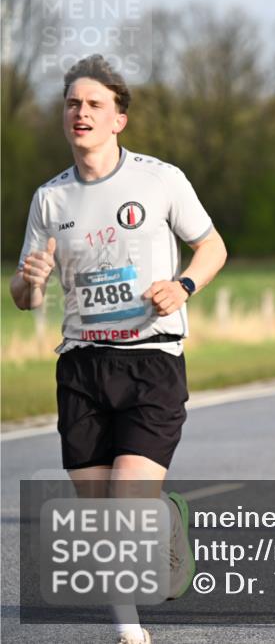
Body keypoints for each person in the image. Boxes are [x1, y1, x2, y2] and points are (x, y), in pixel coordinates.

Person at [10, 55, 227, 644]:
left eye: (94, 104)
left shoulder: (160, 180)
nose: (81, 113)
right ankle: (136, 588)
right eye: (73, 104)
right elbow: (25, 297)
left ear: (118, 120)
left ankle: (129, 630)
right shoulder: (49, 200)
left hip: (152, 358)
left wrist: (182, 285)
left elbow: (212, 248)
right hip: (81, 363)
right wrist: (30, 280)